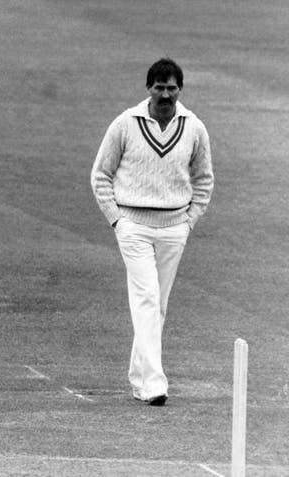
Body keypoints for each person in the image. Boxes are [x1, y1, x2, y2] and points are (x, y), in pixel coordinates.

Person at [90, 58, 214, 406]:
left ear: (180, 90)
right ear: (148, 88)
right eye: (159, 87)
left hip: (175, 226)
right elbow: (100, 174)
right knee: (145, 299)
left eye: (171, 88)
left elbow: (204, 178)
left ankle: (138, 377)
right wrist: (117, 219)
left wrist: (189, 221)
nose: (165, 94)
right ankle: (155, 384)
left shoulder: (194, 128)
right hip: (133, 226)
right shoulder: (126, 124)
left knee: (157, 305)